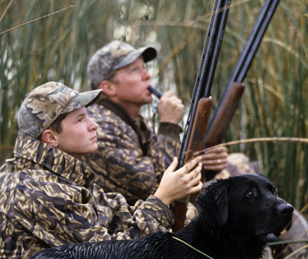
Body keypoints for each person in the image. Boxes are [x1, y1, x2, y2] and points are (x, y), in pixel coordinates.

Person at [0, 81, 203, 259]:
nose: (94, 125)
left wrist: (189, 212)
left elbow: (118, 214)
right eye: (80, 120)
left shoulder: (58, 171)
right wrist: (162, 198)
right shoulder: (39, 190)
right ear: (51, 138)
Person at [81, 40, 229, 205]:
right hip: (128, 226)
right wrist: (168, 126)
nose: (147, 75)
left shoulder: (131, 122)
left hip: (144, 220)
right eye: (134, 70)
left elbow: (165, 167)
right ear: (108, 88)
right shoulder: (98, 127)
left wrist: (205, 167)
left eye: (144, 67)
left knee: (235, 166)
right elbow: (157, 187)